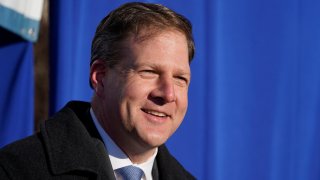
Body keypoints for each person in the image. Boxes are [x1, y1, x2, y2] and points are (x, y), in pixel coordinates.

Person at [0, 2, 195, 179]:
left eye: (180, 78)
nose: (168, 94)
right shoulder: (15, 170)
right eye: (149, 72)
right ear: (100, 77)